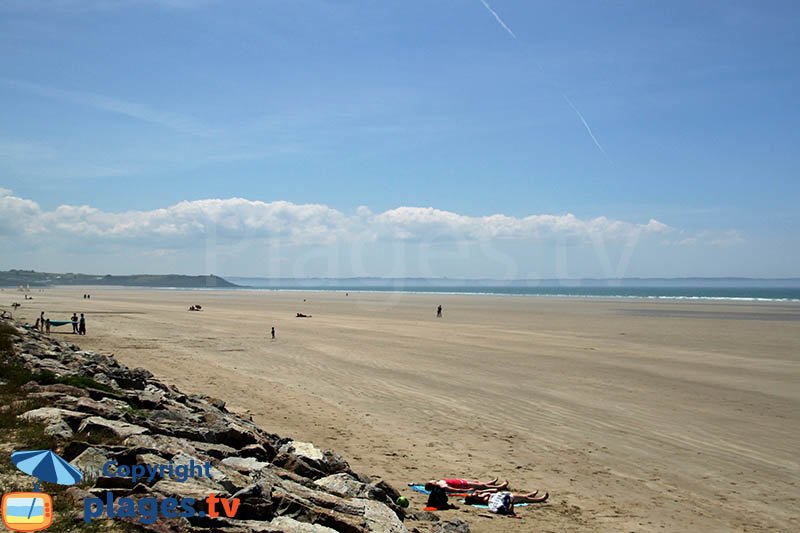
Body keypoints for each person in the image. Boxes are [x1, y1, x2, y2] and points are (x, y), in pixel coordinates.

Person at [464, 489, 549, 506]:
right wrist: (483, 494)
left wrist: (482, 492)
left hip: (502, 495)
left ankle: (531, 495)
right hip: (505, 499)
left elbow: (494, 490)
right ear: (474, 499)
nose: (475, 493)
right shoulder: (483, 499)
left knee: (521, 496)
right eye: (473, 495)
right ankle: (540, 499)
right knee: (524, 499)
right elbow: (490, 496)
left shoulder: (481, 496)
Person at [425, 478, 508, 493]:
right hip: (463, 485)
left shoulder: (440, 482)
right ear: (432, 484)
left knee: (478, 483)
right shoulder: (443, 486)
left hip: (461, 481)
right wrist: (466, 490)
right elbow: (455, 490)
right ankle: (500, 487)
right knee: (481, 486)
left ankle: (490, 483)